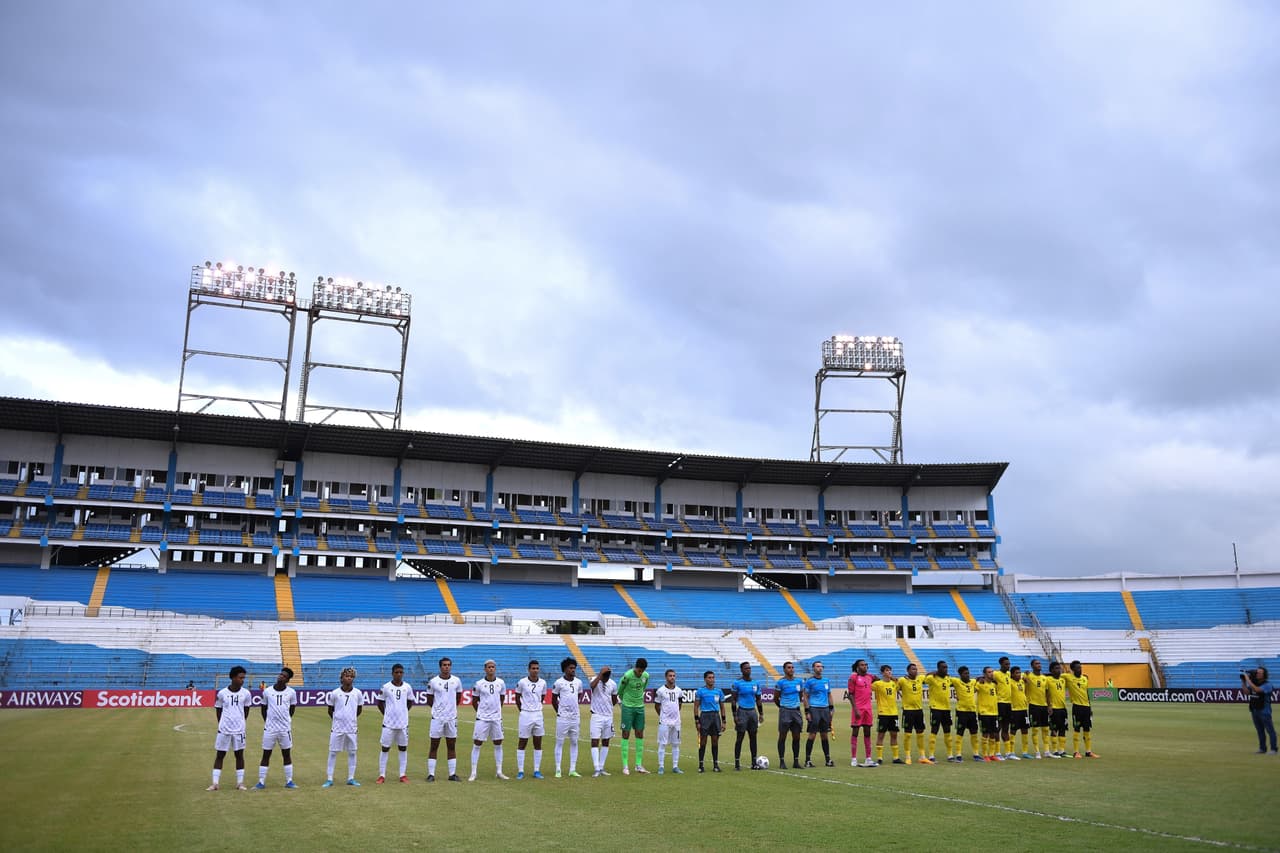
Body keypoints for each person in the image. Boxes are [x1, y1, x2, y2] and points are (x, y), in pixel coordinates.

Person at [208, 665, 252, 791]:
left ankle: (240, 783)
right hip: (224, 730)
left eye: (243, 678)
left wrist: (240, 723)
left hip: (239, 730)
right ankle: (215, 783)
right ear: (233, 677)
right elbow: (218, 710)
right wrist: (222, 724)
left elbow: (246, 710)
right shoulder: (222, 693)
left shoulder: (246, 693)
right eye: (240, 677)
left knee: (239, 755)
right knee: (220, 755)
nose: (242, 680)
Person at [256, 666, 298, 789]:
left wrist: (285, 720)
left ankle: (289, 781)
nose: (281, 677)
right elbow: (263, 708)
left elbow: (292, 709)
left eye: (284, 676)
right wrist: (268, 722)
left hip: (285, 729)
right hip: (270, 729)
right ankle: (261, 782)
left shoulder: (291, 692)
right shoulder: (268, 691)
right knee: (266, 754)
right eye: (281, 674)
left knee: (286, 754)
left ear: (287, 680)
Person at [470, 659, 509, 781]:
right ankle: (473, 772)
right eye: (489, 667)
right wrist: (481, 712)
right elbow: (474, 701)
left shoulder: (501, 683)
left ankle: (499, 771)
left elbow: (501, 698)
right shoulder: (479, 684)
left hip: (496, 718)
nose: (491, 669)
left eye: (493, 667)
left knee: (498, 743)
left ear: (495, 668)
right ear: (485, 669)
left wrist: (496, 711)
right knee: (477, 743)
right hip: (482, 718)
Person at [425, 656, 463, 781]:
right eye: (444, 665)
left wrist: (450, 710)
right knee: (434, 745)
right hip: (437, 718)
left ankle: (452, 774)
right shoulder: (433, 681)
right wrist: (438, 711)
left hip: (452, 718)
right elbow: (430, 700)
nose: (446, 667)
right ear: (440, 667)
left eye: (448, 665)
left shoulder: (456, 681)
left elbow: (458, 698)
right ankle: (431, 774)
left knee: (451, 745)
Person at [324, 666, 363, 787]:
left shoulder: (358, 693)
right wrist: (338, 719)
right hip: (337, 728)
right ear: (341, 678)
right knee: (333, 752)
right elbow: (330, 710)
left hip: (352, 728)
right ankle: (329, 779)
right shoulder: (335, 693)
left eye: (351, 676)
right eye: (347, 676)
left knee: (352, 752)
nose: (349, 678)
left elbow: (359, 709)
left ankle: (351, 778)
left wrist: (351, 719)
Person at [376, 663, 414, 784]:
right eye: (396, 672)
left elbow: (409, 702)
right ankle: (382, 775)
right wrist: (387, 715)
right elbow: (380, 703)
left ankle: (402, 775)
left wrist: (403, 713)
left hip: (403, 724)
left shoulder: (407, 687)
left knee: (403, 748)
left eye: (401, 672)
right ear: (392, 673)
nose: (399, 674)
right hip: (388, 724)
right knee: (385, 748)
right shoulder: (385, 687)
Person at [550, 657, 583, 778]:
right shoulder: (558, 682)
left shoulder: (578, 682)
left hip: (575, 717)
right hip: (563, 717)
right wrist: (559, 712)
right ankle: (558, 769)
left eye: (574, 668)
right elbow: (553, 699)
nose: (573, 670)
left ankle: (572, 770)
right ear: (565, 669)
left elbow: (578, 695)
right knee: (560, 742)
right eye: (571, 668)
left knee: (574, 742)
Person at [515, 660, 547, 780]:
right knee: (522, 742)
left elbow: (542, 697)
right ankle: (520, 771)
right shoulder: (522, 682)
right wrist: (523, 710)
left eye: (537, 668)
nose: (535, 670)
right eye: (533, 668)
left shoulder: (543, 682)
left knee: (538, 742)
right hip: (526, 715)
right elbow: (517, 698)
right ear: (528, 669)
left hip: (538, 715)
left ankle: (537, 770)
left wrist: (535, 708)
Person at [618, 658, 651, 775]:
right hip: (627, 707)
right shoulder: (627, 676)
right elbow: (620, 690)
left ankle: (638, 765)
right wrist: (624, 702)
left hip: (640, 707)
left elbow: (643, 687)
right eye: (639, 670)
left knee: (640, 733)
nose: (640, 673)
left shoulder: (646, 676)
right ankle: (625, 766)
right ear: (635, 667)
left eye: (642, 671)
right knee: (626, 733)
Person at [731, 661, 764, 770]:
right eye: (746, 668)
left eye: (749, 668)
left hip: (752, 712)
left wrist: (761, 713)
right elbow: (733, 700)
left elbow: (758, 700)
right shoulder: (737, 683)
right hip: (742, 712)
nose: (748, 670)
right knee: (740, 738)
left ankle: (754, 763)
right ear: (741, 670)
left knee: (753, 738)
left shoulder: (755, 683)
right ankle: (737, 763)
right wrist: (735, 715)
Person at [802, 661, 835, 767]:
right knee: (812, 734)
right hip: (814, 709)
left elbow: (829, 694)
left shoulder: (826, 681)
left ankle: (828, 759)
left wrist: (831, 708)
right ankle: (807, 760)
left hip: (825, 710)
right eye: (817, 666)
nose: (820, 668)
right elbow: (805, 696)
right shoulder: (810, 681)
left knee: (824, 735)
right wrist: (807, 711)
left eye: (821, 666)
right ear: (813, 668)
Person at [1063, 660, 1098, 759]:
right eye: (1077, 668)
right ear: (1073, 669)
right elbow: (1054, 676)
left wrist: (1090, 707)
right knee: (1077, 729)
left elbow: (1086, 694)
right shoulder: (1068, 677)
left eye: (1080, 667)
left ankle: (1088, 751)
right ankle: (1076, 752)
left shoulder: (1084, 679)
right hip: (1077, 707)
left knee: (1087, 729)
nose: (1080, 669)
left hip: (1086, 707)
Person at [897, 662, 930, 765]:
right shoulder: (902, 680)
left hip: (919, 710)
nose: (915, 671)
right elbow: (894, 686)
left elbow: (930, 676)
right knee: (908, 734)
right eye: (912, 669)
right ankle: (908, 756)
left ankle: (922, 756)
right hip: (908, 710)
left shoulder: (920, 678)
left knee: (920, 733)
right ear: (908, 671)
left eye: (916, 669)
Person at [588, 665, 619, 776]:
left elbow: (614, 699)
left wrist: (609, 705)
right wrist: (600, 675)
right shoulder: (594, 680)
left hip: (608, 716)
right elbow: (592, 686)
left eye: (608, 675)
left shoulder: (613, 684)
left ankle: (601, 767)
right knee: (595, 741)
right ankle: (596, 768)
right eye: (605, 675)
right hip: (596, 715)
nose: (606, 677)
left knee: (606, 741)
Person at [774, 661, 805, 768]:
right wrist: (783, 707)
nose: (791, 669)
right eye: (789, 667)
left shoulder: (799, 681)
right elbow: (776, 698)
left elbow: (801, 695)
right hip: (785, 711)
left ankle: (796, 761)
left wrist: (795, 705)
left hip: (796, 711)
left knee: (797, 737)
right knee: (783, 736)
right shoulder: (781, 682)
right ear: (784, 670)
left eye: (792, 667)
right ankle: (782, 761)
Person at [695, 670, 726, 772]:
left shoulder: (718, 691)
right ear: (705, 679)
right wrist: (697, 721)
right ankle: (701, 765)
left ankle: (715, 765)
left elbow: (722, 707)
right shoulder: (700, 691)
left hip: (715, 717)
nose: (711, 679)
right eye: (709, 677)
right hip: (705, 716)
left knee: (715, 741)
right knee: (703, 741)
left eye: (713, 677)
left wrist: (724, 721)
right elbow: (696, 707)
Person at [654, 668, 684, 774]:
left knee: (676, 744)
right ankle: (661, 766)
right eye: (670, 676)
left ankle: (675, 766)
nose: (672, 677)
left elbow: (679, 703)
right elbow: (657, 705)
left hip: (676, 722)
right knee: (662, 744)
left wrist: (675, 715)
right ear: (666, 677)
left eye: (674, 676)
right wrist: (662, 716)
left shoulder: (679, 691)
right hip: (664, 721)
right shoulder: (660, 690)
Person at [923, 661, 954, 764]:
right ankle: (931, 755)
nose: (946, 669)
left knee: (947, 732)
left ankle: (950, 755)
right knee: (934, 731)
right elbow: (923, 679)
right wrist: (931, 673)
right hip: (935, 708)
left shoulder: (948, 678)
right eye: (943, 668)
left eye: (946, 667)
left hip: (946, 709)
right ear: (938, 668)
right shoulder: (932, 678)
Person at [846, 659, 876, 767]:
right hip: (858, 709)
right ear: (857, 667)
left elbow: (878, 679)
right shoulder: (853, 677)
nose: (865, 667)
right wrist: (855, 709)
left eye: (866, 665)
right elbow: (851, 695)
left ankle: (868, 758)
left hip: (868, 709)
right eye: (862, 665)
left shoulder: (870, 677)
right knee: (855, 732)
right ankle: (854, 758)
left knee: (867, 732)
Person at [1241, 666, 1277, 754]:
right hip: (1254, 710)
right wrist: (1244, 682)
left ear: (1264, 675)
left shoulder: (1267, 685)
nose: (1257, 674)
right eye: (1257, 672)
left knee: (1270, 730)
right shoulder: (1254, 683)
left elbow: (1257, 690)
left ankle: (1273, 749)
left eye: (1260, 673)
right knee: (1260, 730)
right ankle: (1262, 748)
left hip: (1264, 710)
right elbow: (1246, 692)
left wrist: (1248, 680)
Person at [871, 664, 901, 766]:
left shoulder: (894, 683)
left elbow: (898, 682)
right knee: (881, 735)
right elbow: (869, 686)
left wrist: (893, 678)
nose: (889, 672)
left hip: (894, 713)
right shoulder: (878, 684)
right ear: (883, 672)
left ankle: (896, 758)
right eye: (887, 671)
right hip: (883, 713)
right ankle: (879, 758)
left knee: (894, 735)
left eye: (890, 671)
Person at [952, 665, 981, 762]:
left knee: (974, 733)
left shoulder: (973, 682)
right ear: (960, 675)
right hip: (961, 712)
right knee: (960, 733)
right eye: (965, 674)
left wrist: (981, 679)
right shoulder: (956, 681)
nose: (967, 675)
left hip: (972, 712)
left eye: (968, 673)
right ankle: (958, 755)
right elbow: (944, 678)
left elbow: (979, 680)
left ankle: (976, 754)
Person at [1024, 658, 1050, 759]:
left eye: (1039, 663)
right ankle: (1037, 752)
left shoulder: (1045, 678)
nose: (1039, 665)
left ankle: (1047, 751)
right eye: (1036, 663)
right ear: (1032, 666)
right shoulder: (1028, 676)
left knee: (1046, 729)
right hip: (1033, 706)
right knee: (1035, 730)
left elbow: (1047, 693)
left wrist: (1049, 705)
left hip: (1043, 706)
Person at [976, 666, 1001, 761]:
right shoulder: (980, 684)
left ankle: (992, 754)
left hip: (994, 713)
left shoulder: (994, 685)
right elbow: (971, 688)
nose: (992, 673)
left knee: (994, 734)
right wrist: (978, 679)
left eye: (992, 672)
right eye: (989, 672)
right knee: (985, 734)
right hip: (984, 713)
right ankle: (985, 755)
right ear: (985, 674)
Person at [1045, 661, 1069, 758]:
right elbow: (1046, 693)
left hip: (1063, 708)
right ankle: (1055, 750)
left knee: (1063, 729)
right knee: (1054, 729)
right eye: (1056, 668)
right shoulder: (1048, 680)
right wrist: (1049, 705)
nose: (1058, 670)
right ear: (1051, 670)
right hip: (1053, 708)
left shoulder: (1063, 680)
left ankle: (1062, 750)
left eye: (1059, 668)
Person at [992, 656, 1014, 759]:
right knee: (998, 728)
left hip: (1008, 704)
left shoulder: (1009, 674)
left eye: (1009, 664)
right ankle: (997, 752)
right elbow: (985, 676)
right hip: (1000, 703)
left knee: (1006, 728)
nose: (1008, 666)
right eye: (1006, 664)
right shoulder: (996, 674)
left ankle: (1008, 753)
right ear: (1001, 664)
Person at [1008, 665, 1031, 759]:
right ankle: (1011, 752)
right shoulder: (1009, 682)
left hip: (1024, 710)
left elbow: (1029, 683)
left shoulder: (1022, 681)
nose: (1018, 674)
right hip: (1014, 710)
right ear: (1012, 674)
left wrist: (1025, 678)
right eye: (1016, 673)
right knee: (1013, 731)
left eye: (1019, 672)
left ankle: (1025, 752)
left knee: (1025, 730)